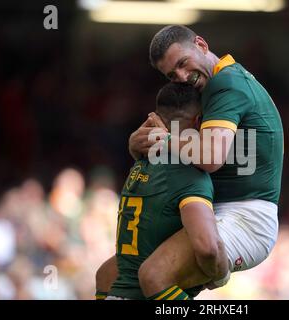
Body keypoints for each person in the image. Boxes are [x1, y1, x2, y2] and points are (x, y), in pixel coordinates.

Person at [98, 24, 284, 299]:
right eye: (172, 75)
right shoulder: (216, 84)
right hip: (214, 211)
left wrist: (162, 140)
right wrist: (140, 142)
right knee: (111, 275)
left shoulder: (226, 82)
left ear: (201, 44)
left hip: (246, 217)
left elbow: (210, 157)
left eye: (183, 63)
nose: (182, 77)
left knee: (155, 275)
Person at [97, 83, 228, 300]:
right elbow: (208, 247)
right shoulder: (188, 174)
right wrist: (221, 274)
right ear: (199, 121)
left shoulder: (141, 163)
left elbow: (104, 274)